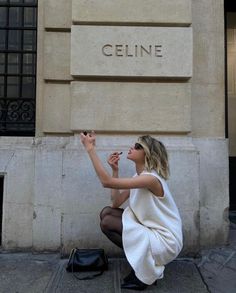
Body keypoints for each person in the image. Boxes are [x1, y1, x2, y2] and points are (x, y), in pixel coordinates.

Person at [80, 131, 183, 291]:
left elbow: (106, 182)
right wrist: (115, 170)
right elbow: (115, 203)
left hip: (165, 240)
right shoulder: (138, 177)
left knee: (108, 221)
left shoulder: (150, 179)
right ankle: (143, 266)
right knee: (106, 213)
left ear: (148, 154)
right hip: (151, 232)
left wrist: (90, 149)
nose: (132, 147)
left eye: (138, 146)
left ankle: (147, 272)